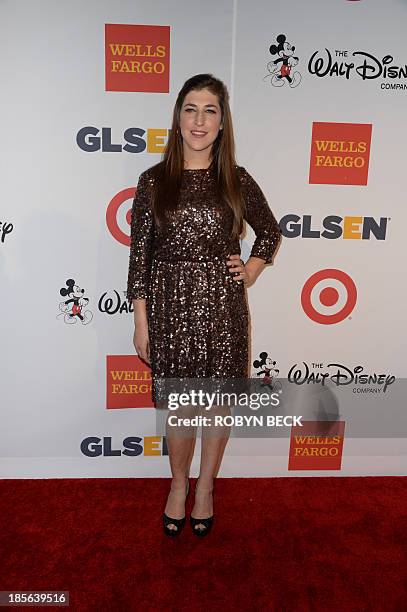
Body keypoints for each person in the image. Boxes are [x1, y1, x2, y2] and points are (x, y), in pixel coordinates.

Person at [126, 73, 282, 537]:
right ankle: (178, 484)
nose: (199, 120)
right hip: (170, 308)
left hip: (222, 310)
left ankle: (207, 487)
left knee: (215, 407)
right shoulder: (153, 181)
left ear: (221, 122)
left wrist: (251, 269)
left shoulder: (235, 178)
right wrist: (142, 320)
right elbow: (140, 257)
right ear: (178, 118)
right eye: (191, 109)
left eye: (209, 110)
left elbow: (269, 232)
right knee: (180, 405)